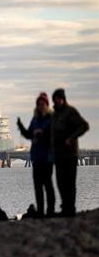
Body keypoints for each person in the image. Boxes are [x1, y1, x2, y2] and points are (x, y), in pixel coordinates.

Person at [51, 88, 89, 217]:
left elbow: (84, 126)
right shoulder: (55, 115)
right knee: (60, 181)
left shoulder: (70, 112)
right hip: (58, 154)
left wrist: (71, 138)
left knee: (70, 182)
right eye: (55, 100)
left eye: (58, 99)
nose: (57, 102)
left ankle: (70, 208)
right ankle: (65, 206)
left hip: (70, 154)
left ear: (63, 99)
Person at [17, 92, 55, 217]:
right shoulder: (35, 119)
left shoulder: (51, 119)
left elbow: (52, 135)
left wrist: (41, 135)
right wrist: (20, 126)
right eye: (39, 104)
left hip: (47, 158)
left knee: (48, 185)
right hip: (36, 158)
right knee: (38, 186)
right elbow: (29, 134)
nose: (40, 105)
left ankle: (50, 211)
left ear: (47, 105)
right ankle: (40, 212)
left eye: (43, 103)